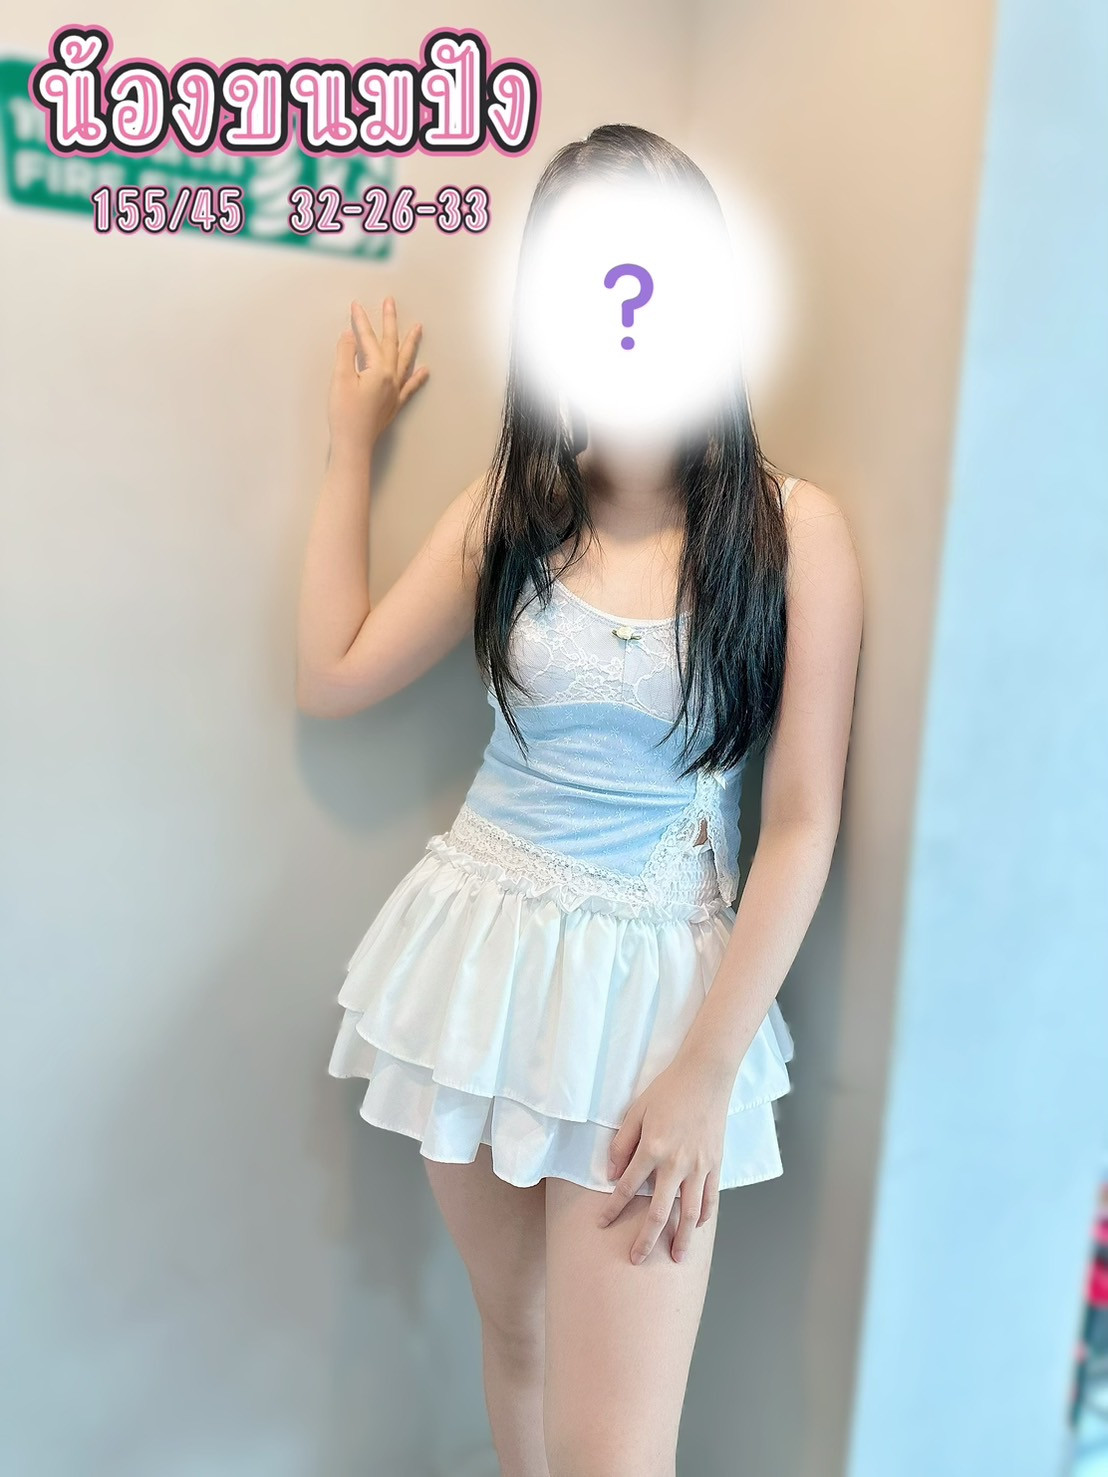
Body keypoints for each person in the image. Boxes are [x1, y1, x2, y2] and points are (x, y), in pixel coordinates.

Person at [296, 124, 862, 1477]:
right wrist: (350, 449)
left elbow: (803, 822)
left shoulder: (795, 533)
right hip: (480, 964)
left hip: (659, 1004)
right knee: (521, 1352)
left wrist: (706, 1071)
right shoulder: (510, 510)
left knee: (617, 1454)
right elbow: (334, 672)